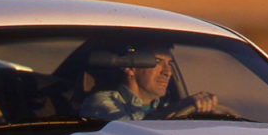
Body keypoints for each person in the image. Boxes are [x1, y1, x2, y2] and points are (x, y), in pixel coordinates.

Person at [79, 44, 219, 120]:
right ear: (130, 68)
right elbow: (130, 134)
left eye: (169, 64)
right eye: (157, 62)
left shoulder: (167, 103)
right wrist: (177, 108)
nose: (167, 72)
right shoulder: (102, 102)